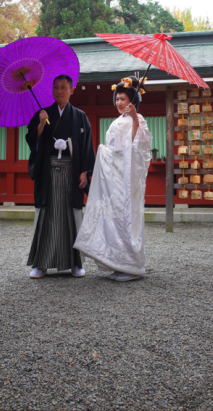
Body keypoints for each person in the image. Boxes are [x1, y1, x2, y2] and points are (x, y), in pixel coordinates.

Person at [74, 75, 152, 282]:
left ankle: (132, 266)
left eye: (123, 99)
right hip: (113, 179)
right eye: (117, 99)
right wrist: (105, 151)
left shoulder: (139, 120)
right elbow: (114, 148)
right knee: (113, 219)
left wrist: (135, 118)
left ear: (132, 100)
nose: (119, 103)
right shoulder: (117, 121)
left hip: (126, 180)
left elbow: (138, 148)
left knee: (126, 217)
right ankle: (117, 262)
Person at [26, 74, 95, 279]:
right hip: (49, 173)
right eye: (56, 87)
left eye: (63, 87)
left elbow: (87, 145)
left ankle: (76, 263)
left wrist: (84, 171)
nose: (59, 91)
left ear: (72, 89)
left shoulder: (80, 116)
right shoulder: (43, 114)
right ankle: (41, 263)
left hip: (72, 173)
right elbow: (32, 141)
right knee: (46, 217)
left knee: (72, 217)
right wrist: (40, 124)